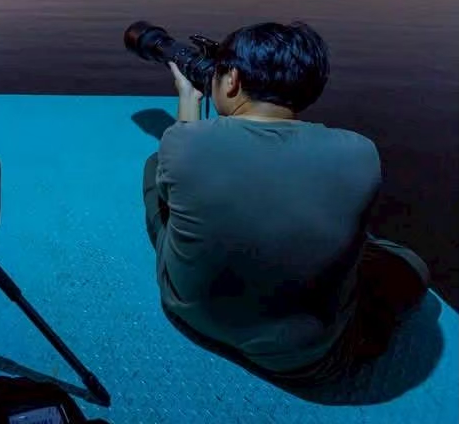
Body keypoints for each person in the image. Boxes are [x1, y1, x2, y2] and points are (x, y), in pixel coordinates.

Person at [142, 21, 429, 385]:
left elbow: (181, 175)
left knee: (158, 171)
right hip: (301, 357)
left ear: (232, 80)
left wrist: (188, 100)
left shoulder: (182, 143)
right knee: (408, 265)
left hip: (189, 314)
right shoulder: (360, 152)